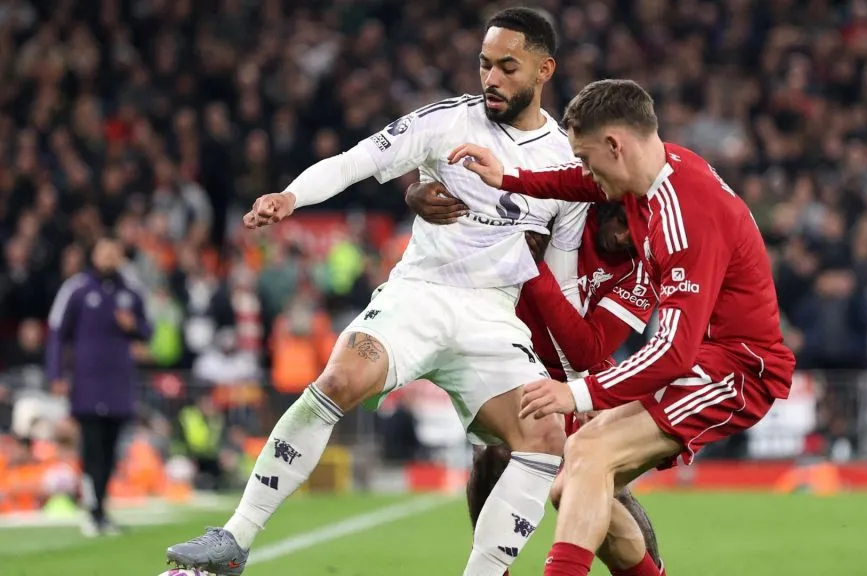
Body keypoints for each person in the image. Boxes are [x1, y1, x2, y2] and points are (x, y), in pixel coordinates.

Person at [168, 9, 591, 576]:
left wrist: (574, 383)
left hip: (493, 313)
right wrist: (292, 198)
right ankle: (234, 539)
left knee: (544, 431)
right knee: (341, 376)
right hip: (420, 291)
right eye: (484, 64)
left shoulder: (566, 166)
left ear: (545, 69)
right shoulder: (446, 122)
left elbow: (561, 286)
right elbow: (358, 160)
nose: (491, 78)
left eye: (507, 67)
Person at [450, 78, 796, 575]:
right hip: (702, 356)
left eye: (589, 158)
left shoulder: (686, 218)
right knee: (572, 486)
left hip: (737, 368)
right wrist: (507, 178)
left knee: (590, 453)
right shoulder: (649, 174)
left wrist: (581, 393)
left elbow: (673, 352)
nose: (587, 173)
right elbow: (574, 180)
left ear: (616, 145)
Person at [407, 182, 665, 576]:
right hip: (520, 362)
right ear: (610, 207)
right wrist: (413, 195)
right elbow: (482, 194)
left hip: (584, 377)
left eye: (640, 234)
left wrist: (535, 270)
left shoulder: (642, 271)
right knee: (492, 455)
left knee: (603, 482)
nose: (627, 237)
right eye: (627, 223)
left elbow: (587, 350)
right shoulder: (561, 212)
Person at [45, 236, 152, 537]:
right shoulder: (76, 289)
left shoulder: (131, 292)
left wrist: (134, 327)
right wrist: (55, 375)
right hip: (87, 383)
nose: (108, 257)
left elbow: (149, 331)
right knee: (91, 447)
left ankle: (101, 509)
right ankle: (92, 510)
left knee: (111, 449)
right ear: (93, 255)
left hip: (119, 383)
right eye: (103, 252)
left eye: (113, 252)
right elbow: (57, 333)